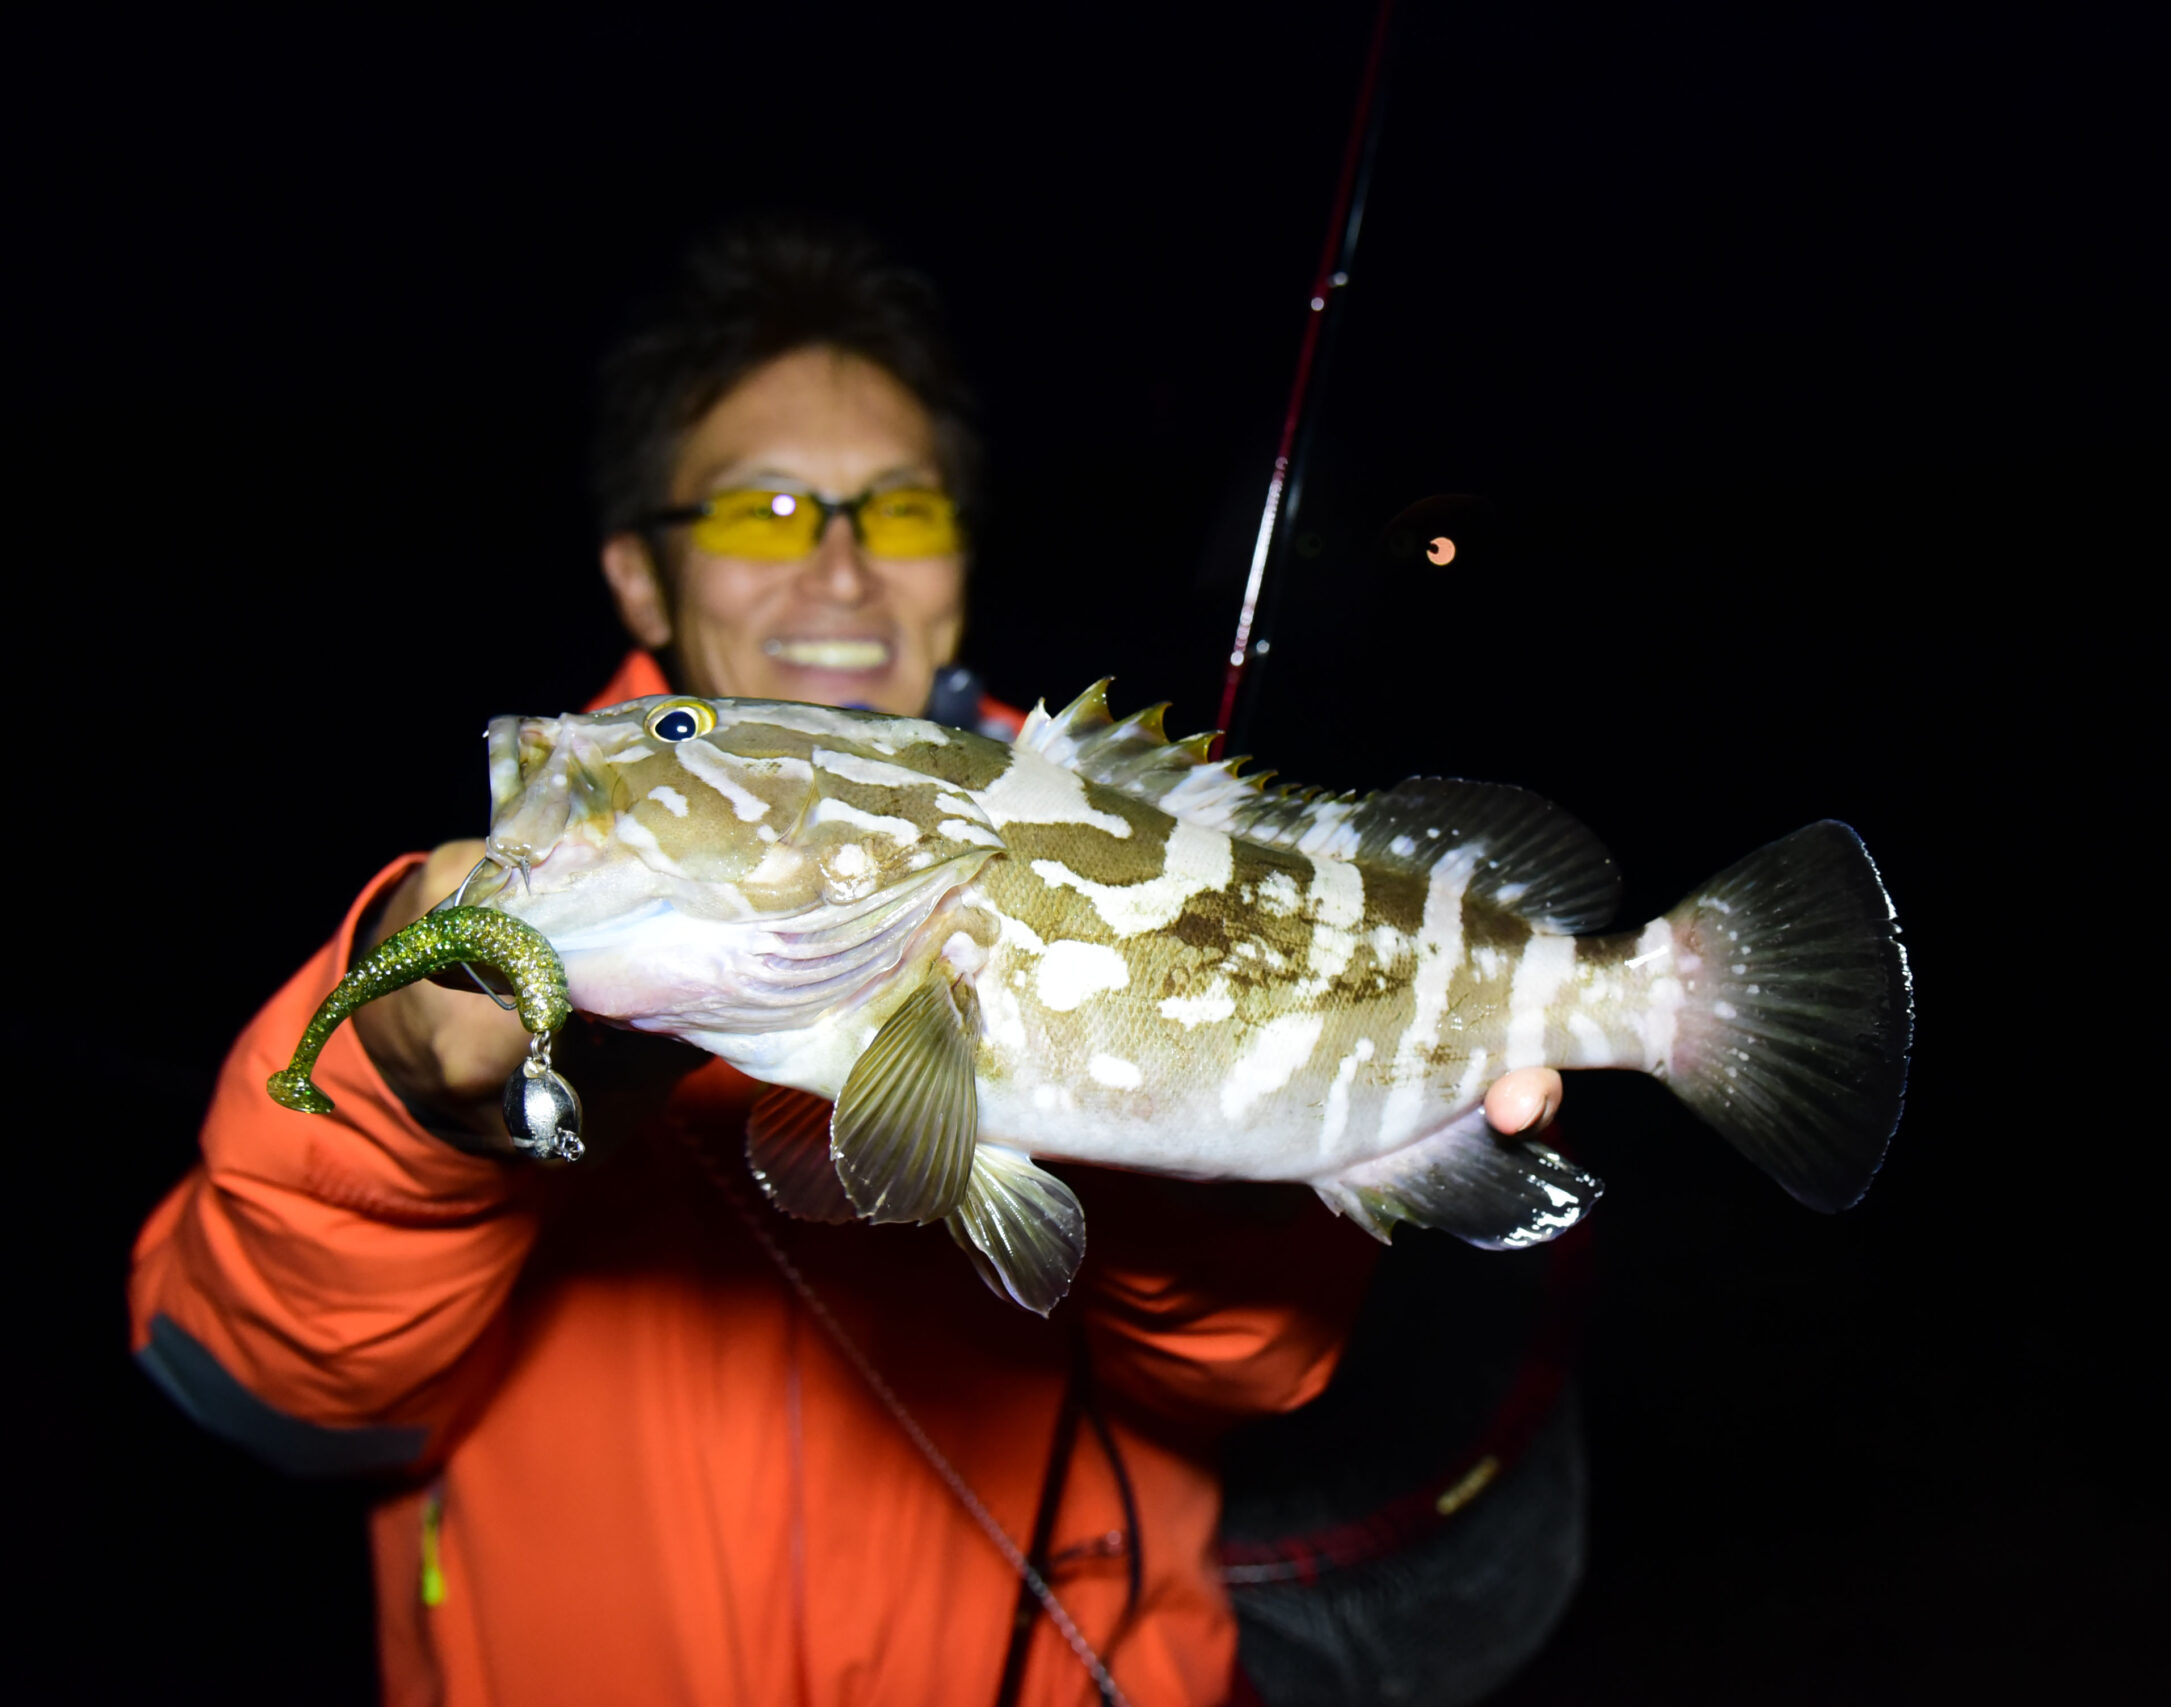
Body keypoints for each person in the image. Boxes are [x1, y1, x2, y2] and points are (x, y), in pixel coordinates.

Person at [129, 219, 1564, 1707]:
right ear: (639, 575)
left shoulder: (1114, 842)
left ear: (959, 553)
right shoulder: (542, 879)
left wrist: (1221, 1140)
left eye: (903, 510)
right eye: (763, 512)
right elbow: (262, 1396)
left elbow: (1252, 1375)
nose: (840, 569)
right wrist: (402, 1111)